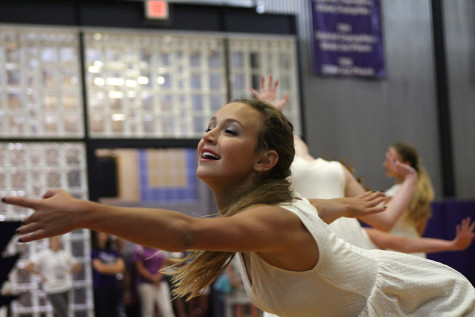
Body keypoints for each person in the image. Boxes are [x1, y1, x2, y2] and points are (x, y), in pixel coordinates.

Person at [4, 99, 475, 316]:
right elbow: (315, 207)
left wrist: (86, 212)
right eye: (210, 126)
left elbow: (186, 233)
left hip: (427, 305)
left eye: (229, 130)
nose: (208, 135)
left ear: (265, 159)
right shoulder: (279, 208)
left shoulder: (272, 220)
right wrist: (348, 203)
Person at [252, 74, 475, 255]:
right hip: (317, 250)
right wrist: (274, 114)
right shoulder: (281, 163)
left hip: (350, 254)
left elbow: (385, 220)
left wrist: (410, 180)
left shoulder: (333, 170)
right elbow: (288, 139)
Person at [383, 141, 435, 257]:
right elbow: (419, 231)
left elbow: (381, 225)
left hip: (397, 253)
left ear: (406, 165)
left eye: (392, 160)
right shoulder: (418, 192)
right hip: (415, 251)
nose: (386, 164)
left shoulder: (395, 194)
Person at [23, 235, 81, 317]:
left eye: (59, 240)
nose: (58, 242)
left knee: (60, 312)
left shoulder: (64, 254)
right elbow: (27, 266)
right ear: (50, 242)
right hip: (52, 289)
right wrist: (40, 275)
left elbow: (77, 265)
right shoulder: (44, 254)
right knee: (63, 313)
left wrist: (69, 272)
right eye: (56, 240)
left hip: (65, 287)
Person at [132, 245, 175, 317]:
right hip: (145, 283)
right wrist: (152, 278)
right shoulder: (139, 249)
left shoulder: (159, 247)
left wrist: (158, 277)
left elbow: (163, 263)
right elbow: (139, 267)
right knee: (148, 310)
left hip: (160, 282)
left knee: (166, 309)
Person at [91, 231, 125, 317]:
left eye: (105, 234)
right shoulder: (95, 251)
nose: (104, 237)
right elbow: (99, 268)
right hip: (101, 286)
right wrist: (113, 267)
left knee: (115, 311)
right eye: (102, 234)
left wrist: (106, 267)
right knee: (104, 311)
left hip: (113, 285)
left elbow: (121, 267)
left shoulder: (112, 250)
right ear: (98, 236)